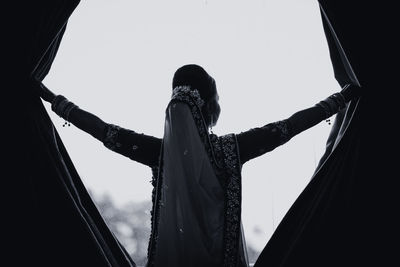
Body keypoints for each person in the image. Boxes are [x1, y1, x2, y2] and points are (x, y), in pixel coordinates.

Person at [36, 64, 360, 267]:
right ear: (210, 105)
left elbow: (105, 131)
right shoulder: (233, 149)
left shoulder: (157, 153)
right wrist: (339, 99)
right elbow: (288, 126)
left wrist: (54, 100)